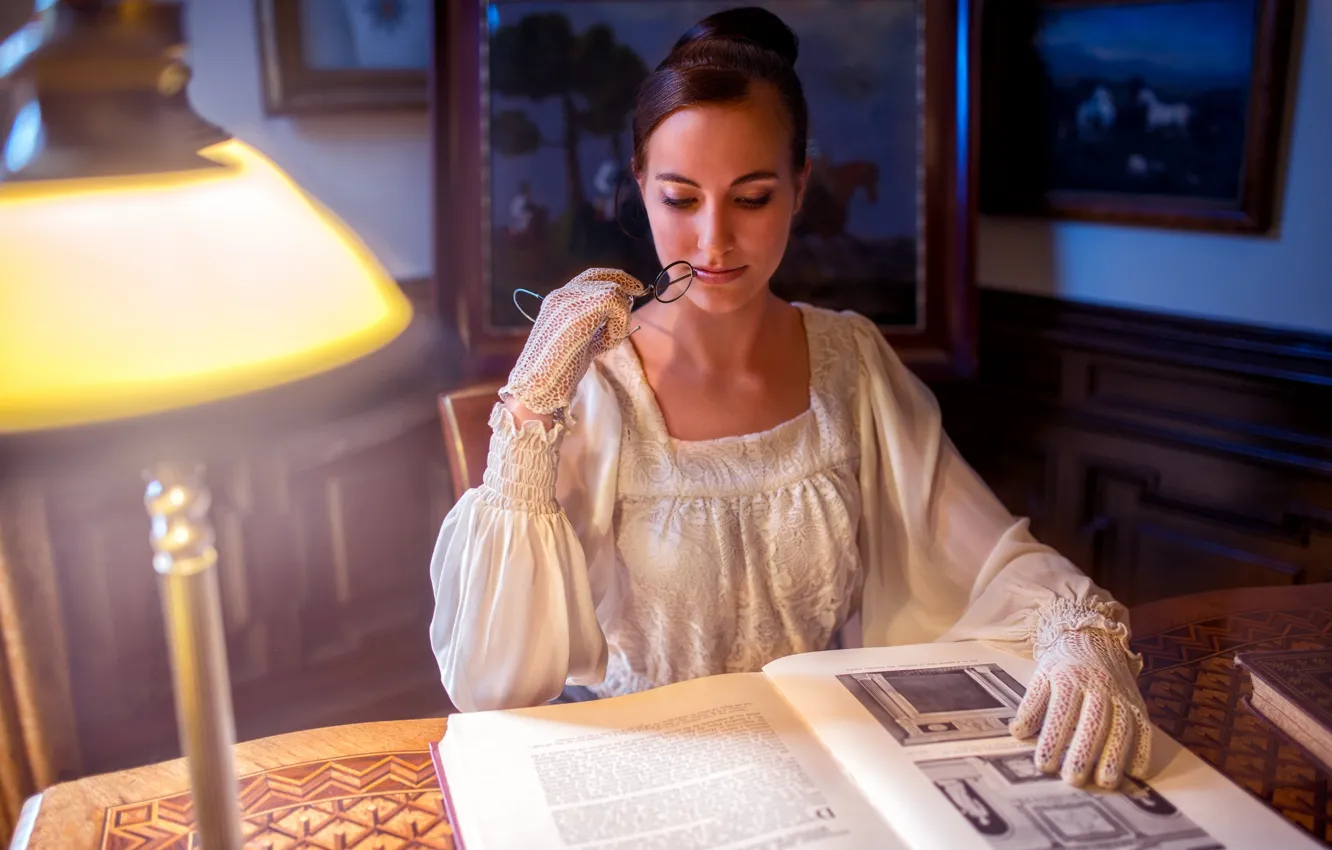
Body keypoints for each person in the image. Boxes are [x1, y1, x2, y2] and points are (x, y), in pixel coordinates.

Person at [429, 6, 1151, 791]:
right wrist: (532, 403)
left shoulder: (852, 364)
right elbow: (489, 686)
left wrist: (1079, 634)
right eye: (680, 199)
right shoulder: (590, 391)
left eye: (752, 197)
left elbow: (991, 560)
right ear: (638, 186)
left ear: (802, 185)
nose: (713, 243)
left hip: (829, 767)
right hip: (637, 776)